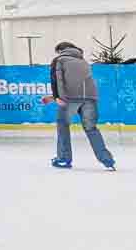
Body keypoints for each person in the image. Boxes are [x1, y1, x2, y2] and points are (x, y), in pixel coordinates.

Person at [43, 41, 114, 171]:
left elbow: (57, 80)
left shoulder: (59, 60)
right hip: (90, 98)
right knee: (91, 128)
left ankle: (64, 159)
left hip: (69, 99)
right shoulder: (83, 61)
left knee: (63, 126)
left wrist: (58, 97)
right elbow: (78, 85)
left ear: (60, 50)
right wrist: (53, 98)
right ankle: (108, 161)